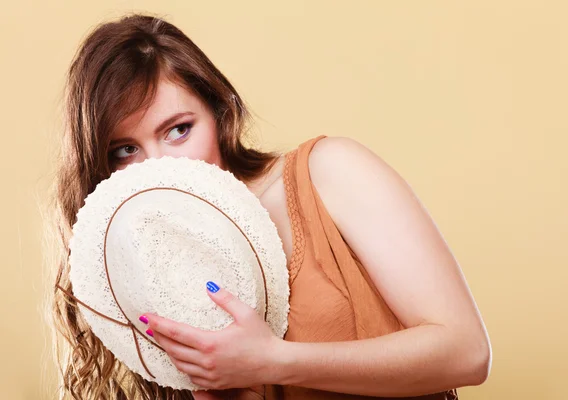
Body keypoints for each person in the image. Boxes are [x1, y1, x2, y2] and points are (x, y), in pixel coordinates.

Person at [50, 13, 491, 400]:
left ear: (220, 113)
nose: (159, 168)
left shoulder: (329, 173)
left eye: (179, 130)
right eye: (125, 151)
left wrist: (273, 361)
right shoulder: (151, 278)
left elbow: (467, 352)